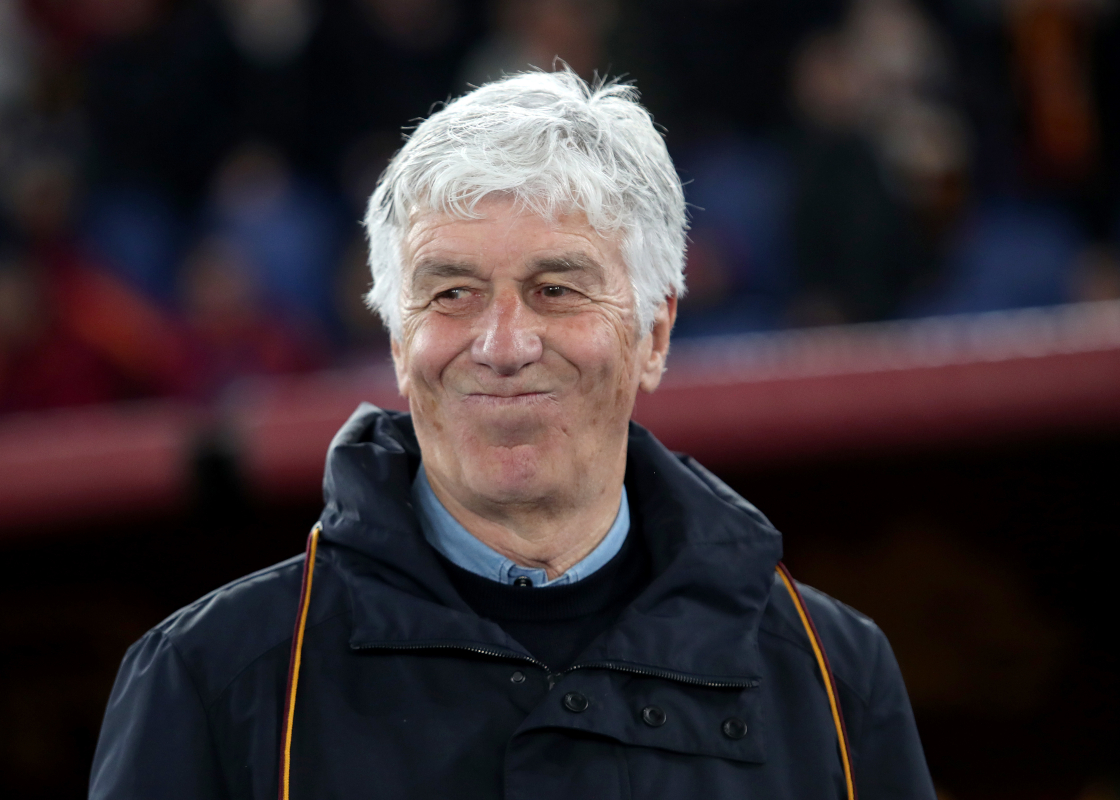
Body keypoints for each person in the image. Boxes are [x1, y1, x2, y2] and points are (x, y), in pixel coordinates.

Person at [89, 70, 936, 799]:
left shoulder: (834, 678)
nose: (501, 346)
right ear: (395, 340)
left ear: (655, 333)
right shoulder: (205, 683)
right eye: (450, 292)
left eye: (557, 290)